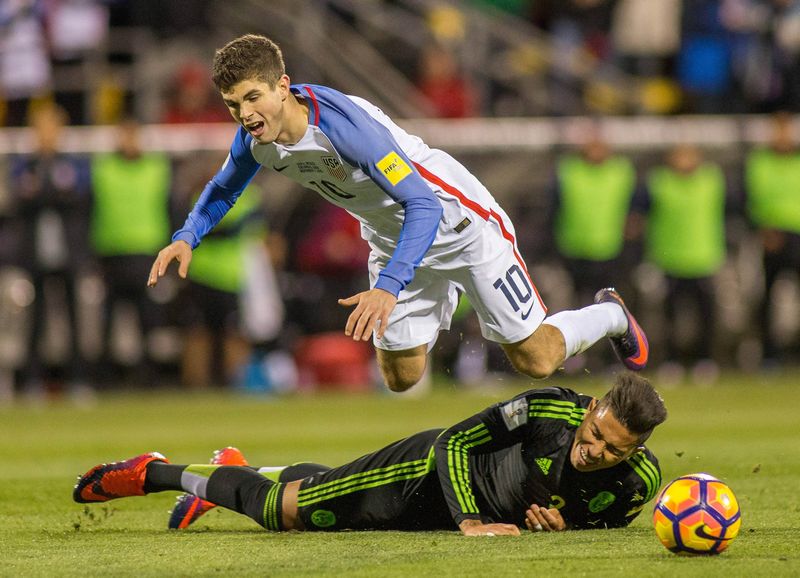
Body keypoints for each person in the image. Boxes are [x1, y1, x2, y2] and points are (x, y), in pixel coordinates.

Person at [147, 34, 649, 392]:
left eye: (253, 98)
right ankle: (442, 307)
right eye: (233, 105)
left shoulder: (343, 129)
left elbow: (423, 204)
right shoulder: (255, 140)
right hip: (394, 238)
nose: (245, 115)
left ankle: (610, 315)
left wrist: (388, 286)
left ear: (283, 85)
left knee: (536, 360)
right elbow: (223, 188)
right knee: (402, 377)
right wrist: (187, 236)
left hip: (458, 223)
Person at [74, 372, 666, 536]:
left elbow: (597, 514)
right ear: (592, 409)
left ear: (637, 449)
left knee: (329, 489)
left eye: (613, 450)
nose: (593, 451)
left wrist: (561, 524)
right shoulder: (546, 409)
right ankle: (158, 473)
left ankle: (233, 468)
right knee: (285, 512)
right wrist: (471, 521)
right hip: (424, 473)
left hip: (448, 509)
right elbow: (455, 443)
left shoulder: (637, 487)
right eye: (594, 434)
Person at [90, 118, 172, 384]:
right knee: (108, 322)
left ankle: (149, 376)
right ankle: (106, 377)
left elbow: (169, 209)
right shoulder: (103, 169)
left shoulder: (156, 168)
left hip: (146, 252)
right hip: (111, 253)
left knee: (148, 320)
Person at [639, 144, 727, 382]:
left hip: (704, 258)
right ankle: (671, 360)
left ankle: (705, 360)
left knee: (706, 315)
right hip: (669, 259)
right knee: (669, 317)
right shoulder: (659, 182)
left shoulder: (711, 180)